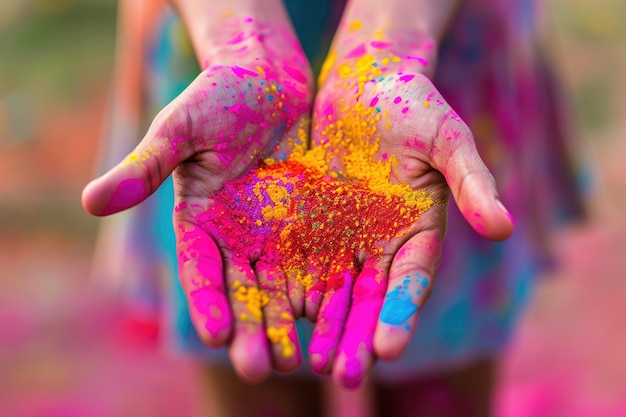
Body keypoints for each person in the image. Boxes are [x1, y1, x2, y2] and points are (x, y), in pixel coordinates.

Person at [83, 0, 585, 415]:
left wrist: (384, 51)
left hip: (436, 52)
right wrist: (245, 46)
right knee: (259, 380)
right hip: (221, 57)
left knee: (440, 377)